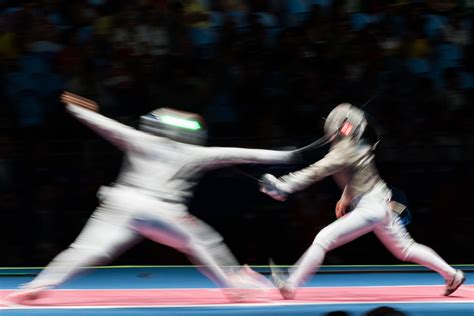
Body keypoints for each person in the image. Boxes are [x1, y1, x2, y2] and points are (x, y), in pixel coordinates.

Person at [7, 92, 296, 304]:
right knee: (202, 241)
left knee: (85, 250)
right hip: (161, 210)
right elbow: (248, 154)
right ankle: (233, 287)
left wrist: (72, 105)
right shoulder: (198, 153)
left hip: (119, 204)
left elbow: (101, 122)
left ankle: (37, 285)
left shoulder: (139, 138)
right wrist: (293, 155)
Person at [260, 103, 465, 299]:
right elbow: (355, 176)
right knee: (406, 249)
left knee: (323, 239)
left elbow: (315, 172)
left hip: (371, 207)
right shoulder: (358, 146)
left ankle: (291, 285)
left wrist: (283, 186)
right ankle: (452, 275)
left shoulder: (343, 151)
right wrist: (345, 198)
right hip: (382, 204)